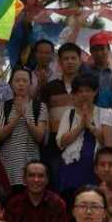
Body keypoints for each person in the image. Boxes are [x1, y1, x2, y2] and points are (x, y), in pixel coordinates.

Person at [0, 68, 48, 190]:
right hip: (8, 163)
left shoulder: (39, 106)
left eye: (25, 81)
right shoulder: (4, 106)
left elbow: (40, 137)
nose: (21, 84)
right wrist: (17, 116)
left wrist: (25, 116)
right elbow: (0, 135)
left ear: (30, 84)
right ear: (11, 84)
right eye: (17, 80)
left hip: (32, 163)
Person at [56, 74, 108, 195]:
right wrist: (80, 127)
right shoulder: (69, 114)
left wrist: (90, 126)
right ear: (75, 94)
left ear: (95, 92)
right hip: (71, 169)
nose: (84, 94)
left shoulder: (105, 113)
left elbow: (107, 142)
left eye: (88, 90)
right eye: (80, 91)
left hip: (95, 169)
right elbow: (61, 143)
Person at [40, 42, 83, 178]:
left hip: (80, 140)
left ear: (80, 60)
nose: (70, 62)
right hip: (54, 143)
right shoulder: (50, 87)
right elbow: (43, 114)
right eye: (66, 58)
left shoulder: (86, 87)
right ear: (60, 62)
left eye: (73, 58)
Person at [4, 161, 68, 222]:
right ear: (24, 179)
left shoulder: (57, 203)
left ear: (47, 180)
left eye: (41, 176)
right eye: (31, 175)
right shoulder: (13, 204)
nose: (36, 180)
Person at [84, 33, 112, 105]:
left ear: (108, 49)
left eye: (102, 49)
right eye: (95, 50)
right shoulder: (85, 71)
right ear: (90, 51)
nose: (99, 53)